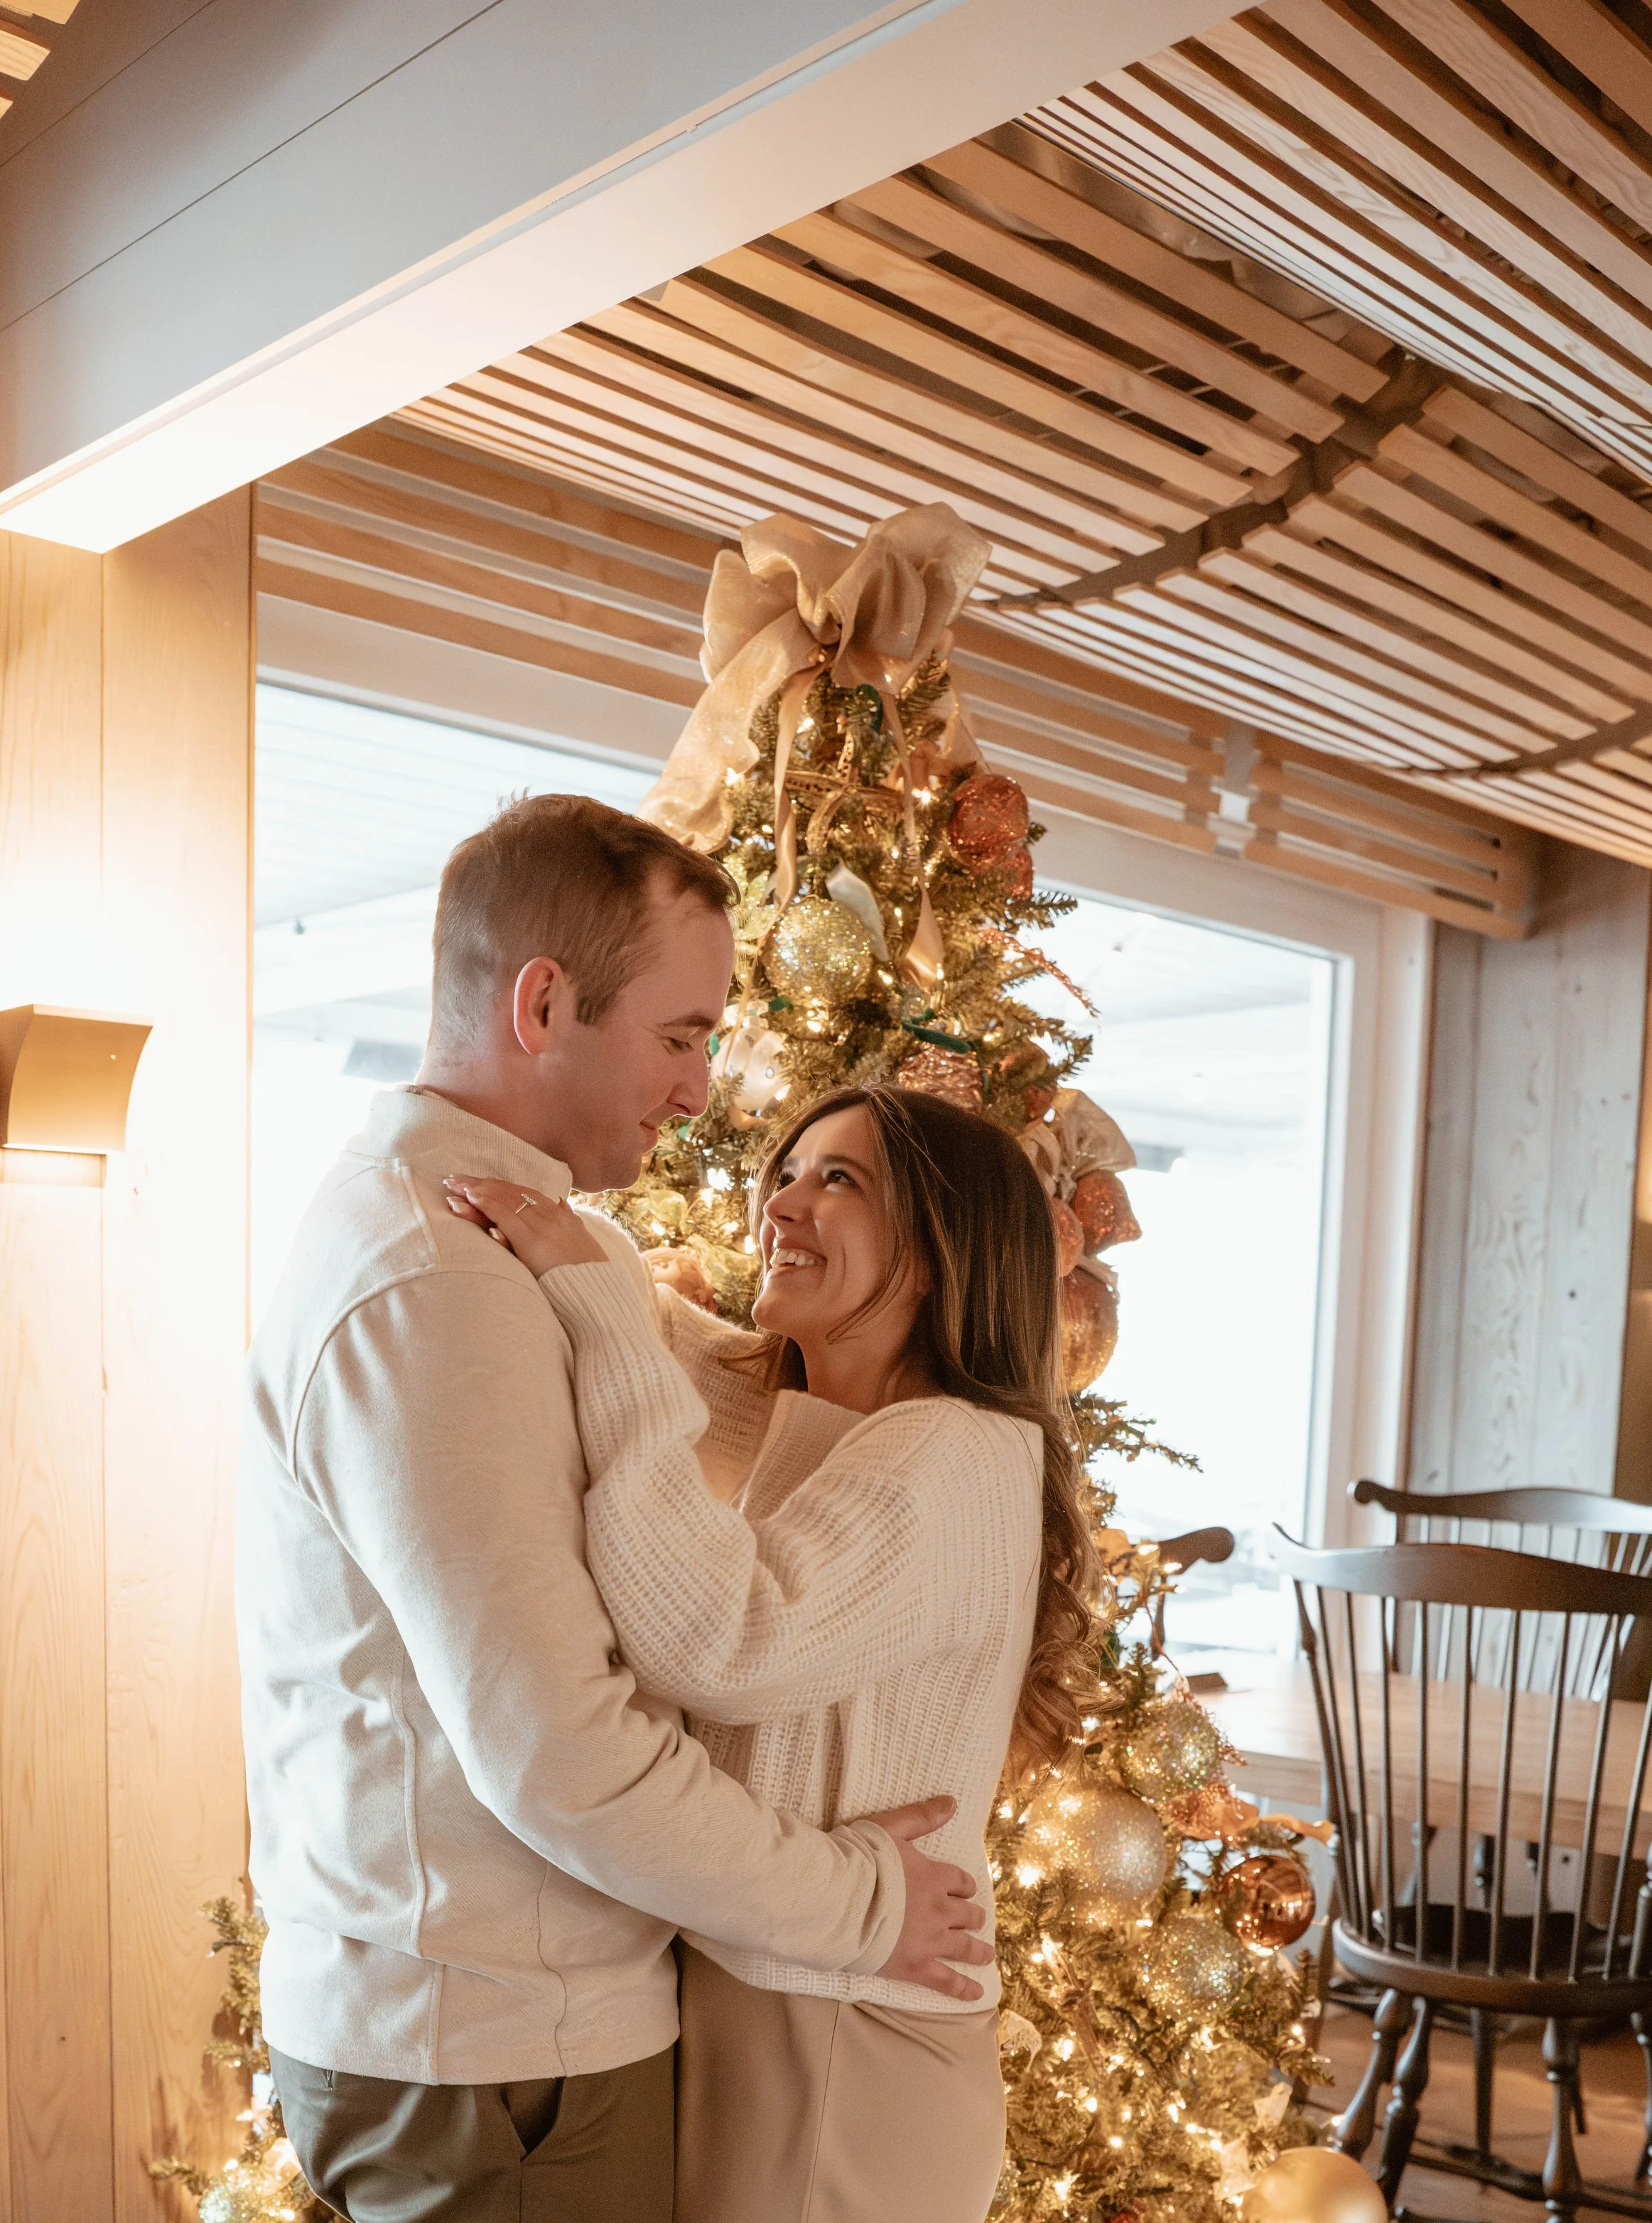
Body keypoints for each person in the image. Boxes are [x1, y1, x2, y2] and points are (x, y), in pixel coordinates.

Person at [238, 797, 992, 2223]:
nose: (701, 1090)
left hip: (506, 2033)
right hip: (498, 2057)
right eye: (679, 1034)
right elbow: (556, 1749)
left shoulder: (506, 1245)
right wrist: (864, 1905)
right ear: (541, 1003)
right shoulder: (442, 1285)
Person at [450, 1081, 1097, 2223]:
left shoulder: (944, 1456)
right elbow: (708, 1374)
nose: (782, 1205)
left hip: (847, 2042)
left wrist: (599, 1301)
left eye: (838, 1181)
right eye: (785, 1175)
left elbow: (720, 1641)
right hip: (807, 1995)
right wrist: (602, 1266)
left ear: (942, 1253)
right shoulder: (863, 1420)